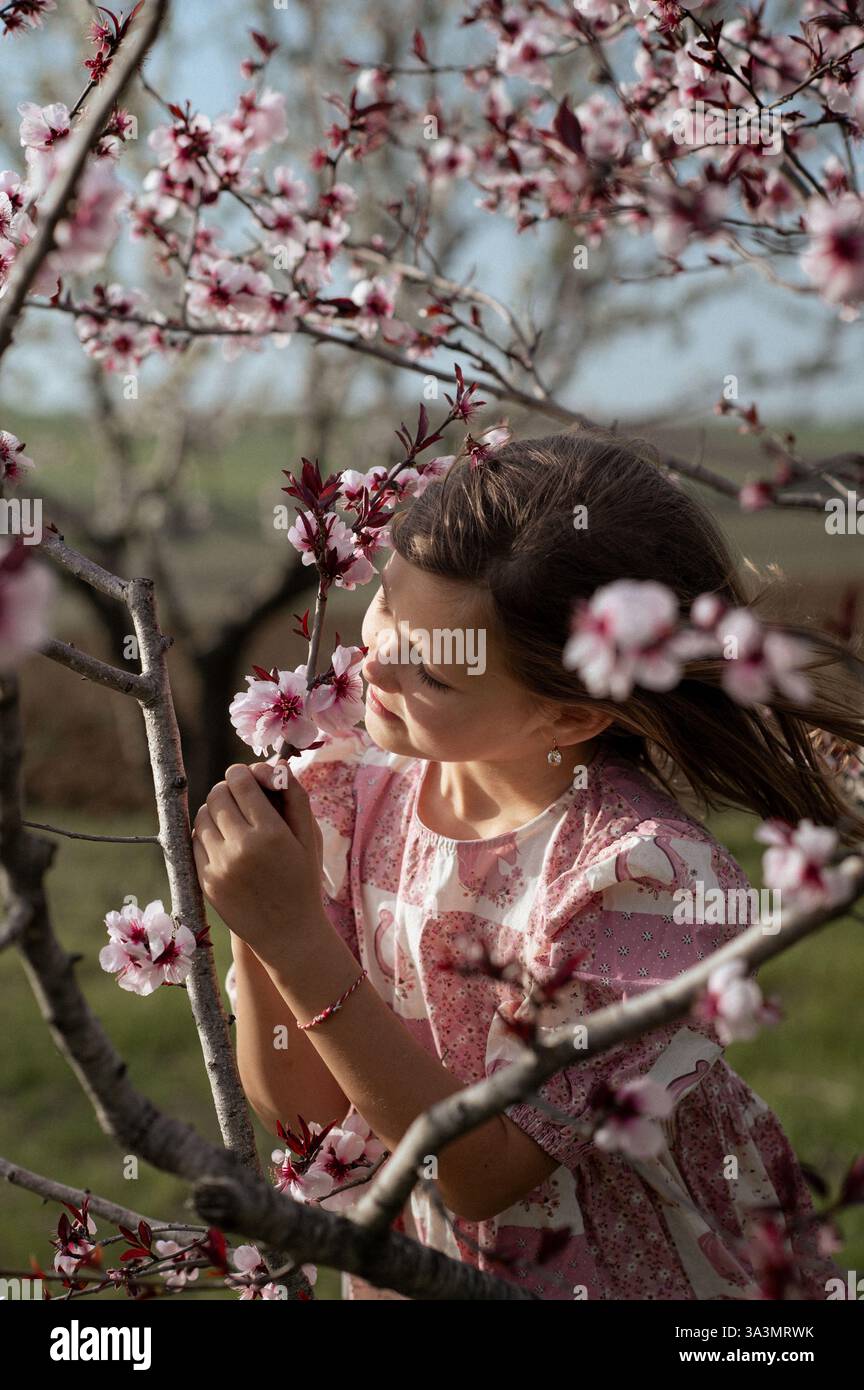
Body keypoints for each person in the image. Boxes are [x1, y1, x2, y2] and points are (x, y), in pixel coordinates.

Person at [194, 428, 861, 1300]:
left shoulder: (641, 881)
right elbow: (313, 1119)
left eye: (433, 672)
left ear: (571, 716)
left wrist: (289, 935)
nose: (377, 658)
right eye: (389, 600)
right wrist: (261, 929)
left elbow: (482, 1171)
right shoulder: (348, 791)